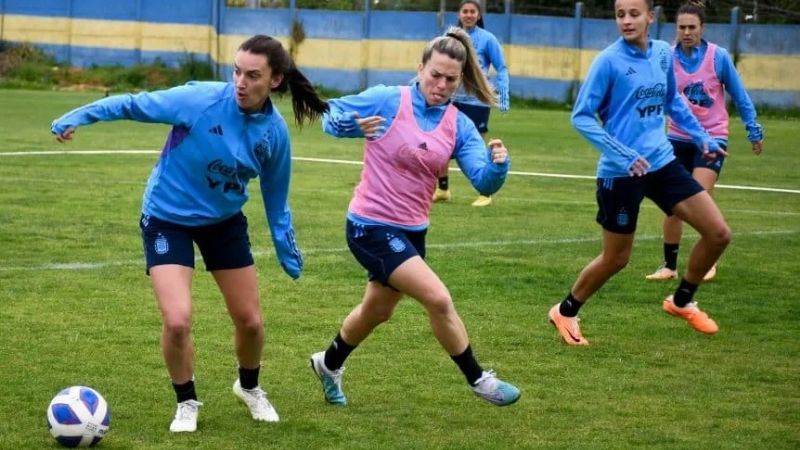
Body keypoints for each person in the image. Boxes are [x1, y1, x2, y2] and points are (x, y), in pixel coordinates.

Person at [50, 35, 328, 432]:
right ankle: (186, 401)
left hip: (223, 223)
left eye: (253, 75)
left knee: (250, 321)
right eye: (236, 71)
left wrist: (285, 245)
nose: (240, 82)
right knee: (177, 320)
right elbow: (134, 103)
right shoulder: (199, 100)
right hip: (168, 217)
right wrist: (80, 115)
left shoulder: (274, 134)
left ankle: (249, 388)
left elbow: (275, 196)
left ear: (276, 81)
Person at [309, 27, 520, 407]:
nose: (441, 84)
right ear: (420, 67)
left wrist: (499, 165)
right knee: (438, 298)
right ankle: (478, 379)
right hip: (369, 225)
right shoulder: (389, 99)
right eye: (435, 74)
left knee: (377, 311)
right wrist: (350, 126)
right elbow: (330, 114)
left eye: (450, 79)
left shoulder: (459, 124)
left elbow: (484, 182)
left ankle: (328, 363)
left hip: (413, 232)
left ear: (460, 81)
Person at [548, 0, 732, 346]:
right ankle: (566, 310)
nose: (627, 21)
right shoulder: (608, 61)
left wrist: (701, 137)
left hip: (662, 163)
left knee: (718, 233)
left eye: (634, 14)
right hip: (620, 173)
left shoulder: (663, 52)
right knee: (617, 258)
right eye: (620, 14)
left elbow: (673, 101)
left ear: (651, 16)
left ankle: (681, 301)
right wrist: (623, 153)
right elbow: (581, 116)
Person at [645, 0, 764, 282]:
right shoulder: (667, 58)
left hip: (712, 139)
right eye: (682, 27)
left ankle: (707, 257)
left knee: (697, 194)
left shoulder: (718, 57)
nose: (686, 32)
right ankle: (669, 266)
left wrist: (753, 129)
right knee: (673, 202)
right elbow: (656, 95)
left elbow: (740, 95)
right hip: (675, 138)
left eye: (692, 27)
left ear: (702, 28)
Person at [432, 0, 510, 207]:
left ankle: (485, 192)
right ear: (459, 14)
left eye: (472, 11)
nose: (468, 15)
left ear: (479, 15)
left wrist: (502, 93)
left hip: (477, 101)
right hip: (452, 99)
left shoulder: (488, 39)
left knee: (477, 146)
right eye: (464, 11)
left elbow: (501, 67)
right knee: (442, 142)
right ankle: (443, 188)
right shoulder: (450, 38)